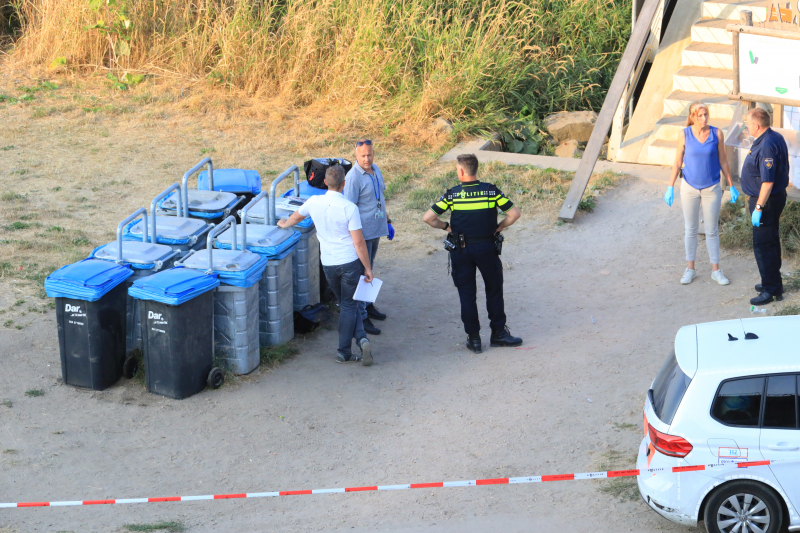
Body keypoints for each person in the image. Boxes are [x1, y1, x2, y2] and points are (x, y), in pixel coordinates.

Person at [422, 154, 523, 354]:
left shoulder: (453, 195)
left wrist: (447, 227)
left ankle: (474, 339)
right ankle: (498, 334)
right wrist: (499, 227)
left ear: (460, 171)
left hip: (461, 250)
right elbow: (514, 214)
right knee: (494, 289)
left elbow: (428, 218)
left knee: (467, 295)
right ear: (475, 169)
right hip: (487, 248)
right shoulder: (490, 191)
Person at [278, 164, 374, 365]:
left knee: (347, 303)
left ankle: (361, 337)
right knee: (350, 304)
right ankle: (345, 350)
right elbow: (358, 242)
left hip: (328, 263)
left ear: (324, 182)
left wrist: (284, 224)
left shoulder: (313, 202)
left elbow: (296, 216)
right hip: (349, 262)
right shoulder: (350, 208)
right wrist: (367, 267)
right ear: (344, 184)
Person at [665, 101, 738, 286]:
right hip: (689, 187)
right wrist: (670, 186)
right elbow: (677, 162)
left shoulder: (717, 133)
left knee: (712, 230)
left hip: (712, 187)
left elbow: (723, 160)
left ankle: (716, 271)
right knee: (690, 229)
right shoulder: (684, 134)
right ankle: (690, 269)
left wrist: (731, 184)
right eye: (699, 115)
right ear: (692, 117)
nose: (703, 118)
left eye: (705, 114)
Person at [740, 107, 790, 305]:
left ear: (756, 125)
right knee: (771, 240)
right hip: (773, 198)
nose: (746, 125)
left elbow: (767, 182)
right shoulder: (773, 136)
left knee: (763, 245)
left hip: (766, 201)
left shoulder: (767, 144)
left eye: (747, 122)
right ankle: (773, 282)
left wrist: (759, 208)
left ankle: (771, 289)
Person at [343, 139, 391, 336]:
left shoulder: (376, 169)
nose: (367, 158)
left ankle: (368, 305)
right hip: (363, 234)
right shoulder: (353, 177)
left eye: (370, 154)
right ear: (356, 155)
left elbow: (381, 196)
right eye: (363, 155)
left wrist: (388, 221)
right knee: (364, 273)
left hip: (376, 229)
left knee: (370, 269)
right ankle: (362, 317)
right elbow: (349, 208)